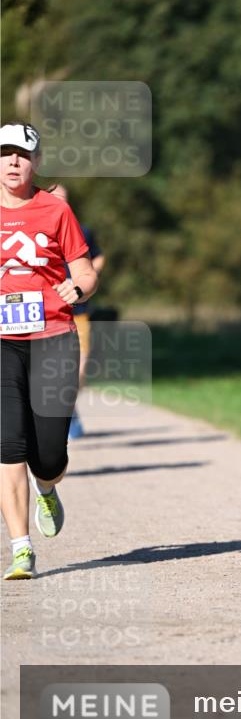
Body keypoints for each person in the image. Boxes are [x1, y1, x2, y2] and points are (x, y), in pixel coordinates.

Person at [1, 123, 97, 579]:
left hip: (53, 337)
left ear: (36, 162)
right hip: (2, 344)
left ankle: (47, 487)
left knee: (50, 455)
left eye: (22, 154)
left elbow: (85, 269)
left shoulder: (54, 210)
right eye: (5, 153)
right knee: (7, 445)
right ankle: (20, 548)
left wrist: (76, 288)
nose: (13, 161)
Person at [47, 185, 106, 439]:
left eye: (64, 199)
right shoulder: (34, 229)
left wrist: (84, 279)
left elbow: (99, 258)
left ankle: (68, 410)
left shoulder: (82, 230)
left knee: (78, 370)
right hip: (47, 314)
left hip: (78, 311)